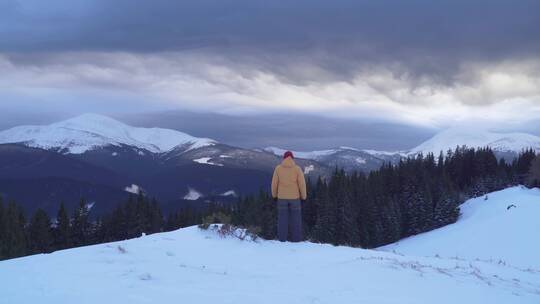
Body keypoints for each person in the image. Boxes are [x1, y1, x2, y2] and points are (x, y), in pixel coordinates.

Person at [271, 151, 307, 242]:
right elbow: (302, 184)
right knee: (296, 220)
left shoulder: (278, 169)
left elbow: (274, 184)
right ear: (292, 158)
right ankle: (296, 240)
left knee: (282, 220)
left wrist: (274, 195)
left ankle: (282, 240)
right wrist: (303, 197)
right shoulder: (297, 169)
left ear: (284, 158)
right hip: (295, 198)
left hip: (281, 198)